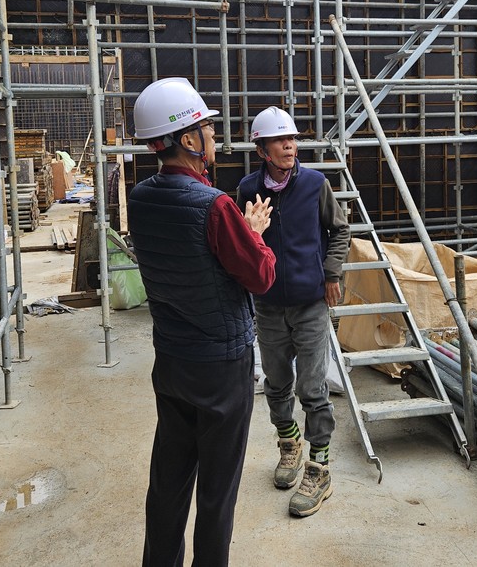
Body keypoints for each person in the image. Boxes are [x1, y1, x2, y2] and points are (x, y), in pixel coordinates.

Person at [128, 77, 275, 567]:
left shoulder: (140, 198)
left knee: (168, 482)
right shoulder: (215, 206)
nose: (214, 137)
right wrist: (253, 233)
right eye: (208, 129)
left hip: (172, 360)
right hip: (220, 367)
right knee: (217, 492)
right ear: (188, 139)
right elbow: (260, 276)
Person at [237, 106, 350, 518]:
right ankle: (289, 444)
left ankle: (319, 469)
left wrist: (331, 273)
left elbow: (340, 230)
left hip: (310, 304)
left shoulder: (316, 185)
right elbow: (241, 244)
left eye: (292, 139)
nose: (289, 146)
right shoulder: (248, 189)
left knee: (313, 389)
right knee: (277, 383)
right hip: (268, 305)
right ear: (262, 150)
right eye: (280, 141)